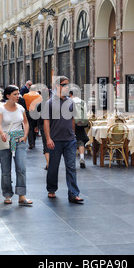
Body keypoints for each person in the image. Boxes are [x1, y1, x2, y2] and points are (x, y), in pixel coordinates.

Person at [44, 76, 83, 204]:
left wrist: (73, 135)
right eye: (64, 84)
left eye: (67, 85)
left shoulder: (71, 102)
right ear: (57, 86)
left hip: (70, 140)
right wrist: (48, 138)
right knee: (53, 167)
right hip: (55, 140)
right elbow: (46, 122)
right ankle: (51, 189)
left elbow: (72, 120)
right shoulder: (49, 103)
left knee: (71, 167)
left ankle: (74, 193)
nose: (67, 87)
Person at [0, 85, 32, 205]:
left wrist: (25, 136)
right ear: (8, 96)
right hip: (6, 140)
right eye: (15, 94)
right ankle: (7, 194)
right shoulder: (1, 109)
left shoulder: (20, 108)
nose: (18, 96)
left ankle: (22, 195)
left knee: (21, 168)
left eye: (18, 94)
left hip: (18, 139)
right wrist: (2, 133)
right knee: (6, 170)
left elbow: (26, 123)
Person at [69, 90, 89, 169]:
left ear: (71, 94)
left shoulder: (69, 101)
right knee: (80, 141)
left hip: (71, 123)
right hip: (81, 123)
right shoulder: (82, 102)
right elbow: (85, 113)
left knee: (70, 141)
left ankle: (71, 160)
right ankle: (82, 157)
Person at [23, 85, 42, 149]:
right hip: (36, 113)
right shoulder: (39, 96)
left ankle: (31, 142)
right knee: (35, 126)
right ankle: (34, 140)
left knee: (30, 127)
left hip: (28, 112)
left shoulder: (25, 96)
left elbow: (23, 104)